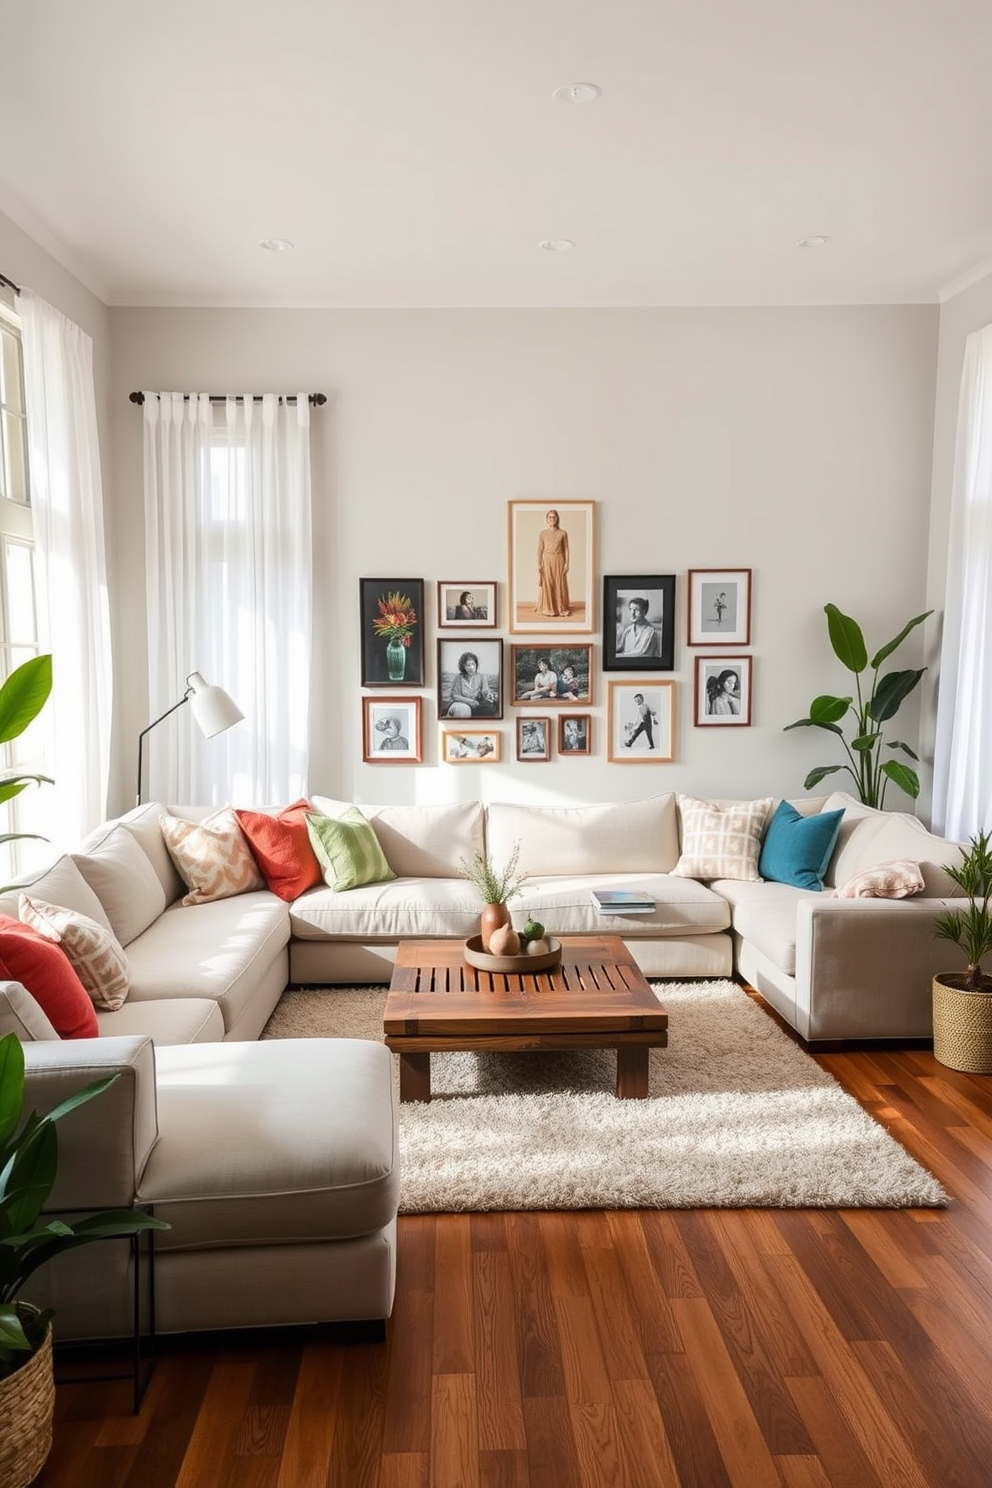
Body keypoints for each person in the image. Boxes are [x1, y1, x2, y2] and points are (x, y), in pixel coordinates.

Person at [536, 509, 570, 618]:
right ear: (547, 519)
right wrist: (539, 563)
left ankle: (559, 608)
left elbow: (566, 549)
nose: (552, 519)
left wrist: (567, 564)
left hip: (559, 560)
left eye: (554, 517)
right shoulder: (543, 534)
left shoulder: (563, 533)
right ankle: (548, 608)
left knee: (558, 583)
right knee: (548, 583)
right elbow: (540, 549)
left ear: (557, 518)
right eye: (550, 517)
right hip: (547, 560)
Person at [446, 651, 498, 717]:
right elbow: (454, 695)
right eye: (468, 665)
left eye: (473, 664)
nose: (471, 667)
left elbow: (485, 691)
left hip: (476, 705)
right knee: (463, 709)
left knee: (491, 709)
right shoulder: (458, 678)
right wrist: (470, 701)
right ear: (463, 666)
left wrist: (489, 695)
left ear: (476, 665)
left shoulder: (482, 677)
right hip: (461, 703)